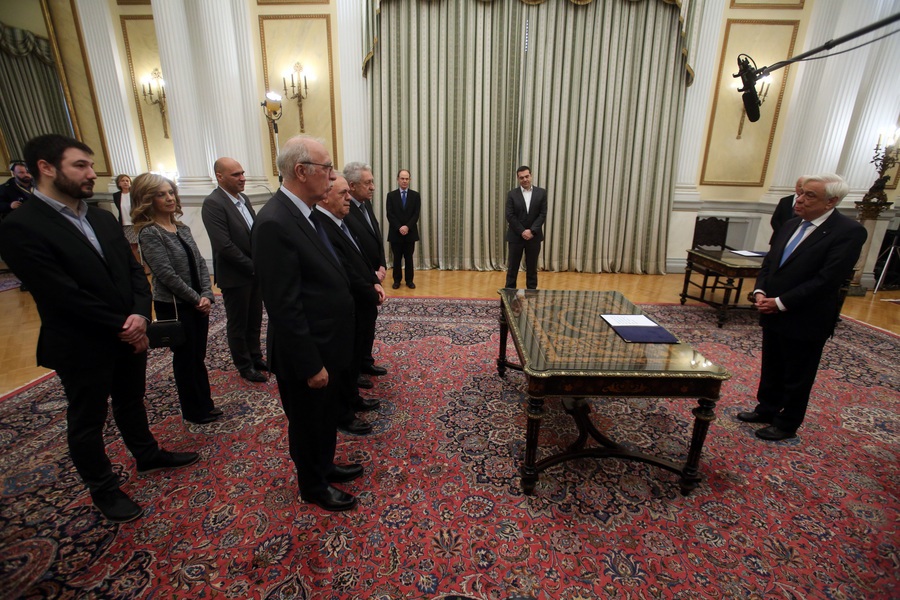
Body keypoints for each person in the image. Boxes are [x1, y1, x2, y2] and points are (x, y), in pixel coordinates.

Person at [0, 134, 198, 523]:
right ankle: (104, 488)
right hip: (81, 341)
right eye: (81, 165)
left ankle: (147, 454)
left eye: (91, 165)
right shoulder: (21, 225)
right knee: (87, 419)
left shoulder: (101, 217)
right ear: (46, 167)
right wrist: (122, 324)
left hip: (129, 332)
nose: (93, 173)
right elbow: (60, 292)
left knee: (131, 399)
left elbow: (135, 273)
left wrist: (140, 316)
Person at [252, 135, 363, 512]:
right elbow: (284, 307)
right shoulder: (275, 222)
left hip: (327, 342)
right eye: (327, 168)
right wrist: (311, 364)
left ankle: (325, 467)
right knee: (307, 421)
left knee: (324, 416)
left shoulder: (306, 213)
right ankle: (312, 485)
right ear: (301, 171)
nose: (332, 176)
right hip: (306, 352)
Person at [737, 173, 867, 441]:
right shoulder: (791, 224)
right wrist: (761, 291)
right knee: (772, 365)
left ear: (831, 201)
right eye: (801, 193)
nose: (800, 199)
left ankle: (787, 423)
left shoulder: (849, 232)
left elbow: (827, 279)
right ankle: (766, 408)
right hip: (772, 310)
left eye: (810, 195)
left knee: (797, 373)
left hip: (806, 316)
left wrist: (781, 303)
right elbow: (770, 263)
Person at [132, 173, 219, 425]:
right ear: (148, 199)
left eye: (171, 192)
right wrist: (195, 299)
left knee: (197, 355)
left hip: (196, 301)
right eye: (161, 194)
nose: (169, 198)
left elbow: (200, 263)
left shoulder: (182, 227)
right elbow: (166, 274)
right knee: (185, 358)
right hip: (175, 304)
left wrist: (206, 294)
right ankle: (194, 410)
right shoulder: (150, 233)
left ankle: (206, 403)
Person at [316, 175, 385, 436]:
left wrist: (373, 280)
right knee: (343, 365)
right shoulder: (322, 226)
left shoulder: (341, 221)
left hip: (359, 303)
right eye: (343, 193)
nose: (348, 198)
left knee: (353, 359)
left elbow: (360, 257)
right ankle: (343, 414)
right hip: (347, 304)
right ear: (325, 197)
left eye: (348, 193)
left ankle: (352, 399)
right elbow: (345, 269)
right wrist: (370, 290)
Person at [201, 157, 267, 383]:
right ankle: (244, 364)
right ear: (220, 177)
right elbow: (224, 245)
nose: (242, 178)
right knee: (239, 322)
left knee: (254, 318)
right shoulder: (213, 203)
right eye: (236, 174)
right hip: (235, 275)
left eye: (242, 173)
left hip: (253, 271)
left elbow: (254, 233)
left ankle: (256, 356)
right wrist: (253, 267)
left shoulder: (244, 199)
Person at [344, 162, 388, 384]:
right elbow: (353, 249)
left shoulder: (365, 204)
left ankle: (366, 361)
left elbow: (375, 235)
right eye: (368, 183)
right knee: (359, 324)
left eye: (372, 182)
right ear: (352, 186)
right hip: (360, 279)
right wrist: (371, 274)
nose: (373, 187)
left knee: (370, 319)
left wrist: (382, 264)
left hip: (374, 274)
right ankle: (356, 369)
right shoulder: (344, 209)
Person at [505, 165, 547, 290]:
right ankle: (509, 295)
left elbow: (542, 214)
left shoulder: (542, 193)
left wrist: (532, 231)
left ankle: (532, 295)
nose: (525, 179)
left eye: (527, 176)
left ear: (531, 176)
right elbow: (509, 215)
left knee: (532, 268)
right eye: (521, 177)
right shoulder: (512, 194)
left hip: (534, 237)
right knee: (512, 268)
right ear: (518, 179)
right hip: (516, 236)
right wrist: (522, 231)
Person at [385, 169, 421, 289]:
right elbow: (390, 214)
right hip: (396, 233)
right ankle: (396, 280)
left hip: (410, 233)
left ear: (409, 180)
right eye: (402, 178)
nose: (404, 181)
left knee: (409, 258)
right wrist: (399, 227)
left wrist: (407, 226)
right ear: (398, 179)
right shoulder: (391, 195)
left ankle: (409, 280)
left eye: (406, 179)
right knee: (397, 258)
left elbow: (416, 214)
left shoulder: (415, 195)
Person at [112, 174, 142, 268]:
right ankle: (138, 265)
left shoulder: (134, 194)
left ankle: (146, 266)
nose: (125, 182)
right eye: (123, 181)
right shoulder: (116, 195)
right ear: (119, 183)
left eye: (127, 180)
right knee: (133, 246)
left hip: (136, 222)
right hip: (125, 223)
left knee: (142, 244)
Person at [770, 175, 805, 244]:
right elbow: (775, 220)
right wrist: (783, 232)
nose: (801, 188)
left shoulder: (807, 203)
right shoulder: (784, 200)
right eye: (800, 186)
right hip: (778, 238)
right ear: (795, 186)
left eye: (803, 187)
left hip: (794, 240)